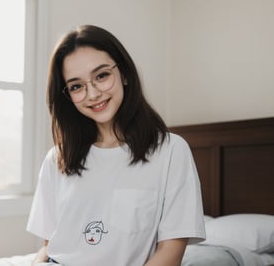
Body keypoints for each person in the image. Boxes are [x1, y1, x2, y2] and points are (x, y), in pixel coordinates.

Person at [27, 24, 206, 266]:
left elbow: (171, 253)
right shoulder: (57, 158)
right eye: (77, 86)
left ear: (123, 73)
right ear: (67, 96)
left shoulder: (171, 151)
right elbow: (49, 247)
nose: (92, 94)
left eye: (101, 76)